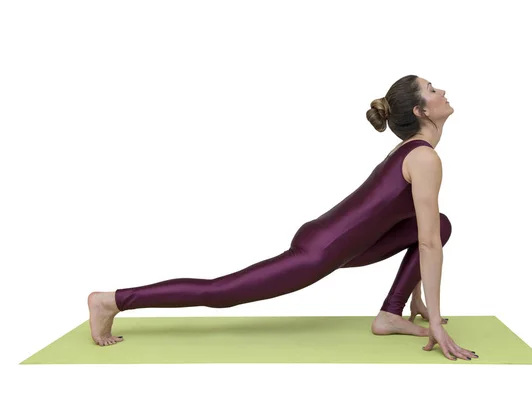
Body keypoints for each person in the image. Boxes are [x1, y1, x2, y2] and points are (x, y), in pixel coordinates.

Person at [88, 74, 478, 361]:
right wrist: (438, 324)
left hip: (347, 244)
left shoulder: (415, 151)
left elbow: (419, 229)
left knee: (440, 223)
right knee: (221, 292)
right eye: (432, 89)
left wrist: (416, 298)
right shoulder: (424, 157)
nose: (441, 90)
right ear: (420, 110)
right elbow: (424, 243)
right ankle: (112, 301)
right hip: (319, 251)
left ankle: (390, 315)